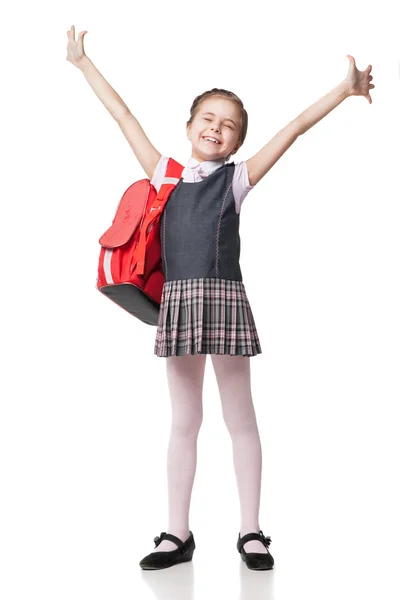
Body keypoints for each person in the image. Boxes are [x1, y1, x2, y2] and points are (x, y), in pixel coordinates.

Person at [66, 25, 375, 571]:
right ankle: (176, 534)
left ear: (236, 142)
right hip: (179, 306)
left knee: (241, 419)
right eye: (208, 118)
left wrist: (344, 88)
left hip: (226, 303)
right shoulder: (165, 173)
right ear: (188, 126)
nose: (217, 128)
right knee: (184, 420)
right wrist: (82, 62)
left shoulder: (237, 179)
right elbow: (123, 116)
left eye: (230, 125)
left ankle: (252, 532)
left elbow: (296, 127)